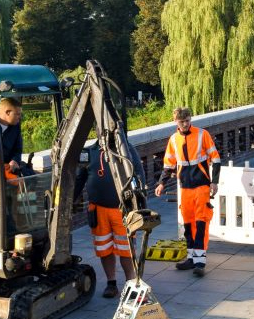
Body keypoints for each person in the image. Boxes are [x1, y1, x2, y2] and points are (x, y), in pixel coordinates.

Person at [153, 107, 221, 277]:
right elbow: (168, 165)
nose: (185, 124)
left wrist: (214, 181)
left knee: (201, 222)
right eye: (181, 121)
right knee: (188, 223)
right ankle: (191, 258)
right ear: (176, 122)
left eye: (187, 121)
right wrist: (161, 183)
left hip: (201, 185)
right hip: (185, 186)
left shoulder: (202, 134)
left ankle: (200, 262)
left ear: (191, 119)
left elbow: (216, 158)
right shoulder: (173, 139)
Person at [74, 140, 139, 298]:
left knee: (126, 250)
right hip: (98, 210)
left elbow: (138, 173)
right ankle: (111, 284)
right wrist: (70, 199)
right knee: (105, 249)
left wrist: (140, 201)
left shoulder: (126, 148)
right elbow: (79, 179)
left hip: (122, 210)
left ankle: (131, 283)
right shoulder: (89, 152)